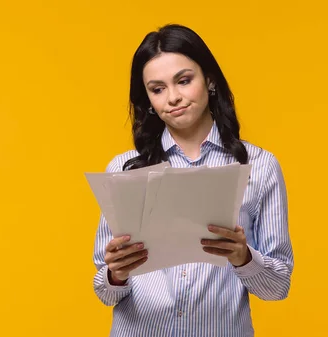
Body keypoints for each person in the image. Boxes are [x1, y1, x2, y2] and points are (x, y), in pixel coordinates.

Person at [92, 24, 294, 337]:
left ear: (209, 80)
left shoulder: (258, 166)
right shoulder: (123, 170)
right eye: (157, 89)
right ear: (147, 100)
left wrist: (243, 258)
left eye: (184, 81)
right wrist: (116, 274)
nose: (173, 98)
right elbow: (104, 292)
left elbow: (278, 287)